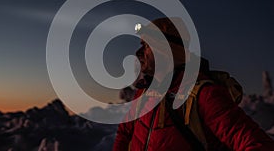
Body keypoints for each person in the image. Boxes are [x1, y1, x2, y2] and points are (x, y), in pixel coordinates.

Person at [113, 17, 274, 151]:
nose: (138, 52)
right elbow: (125, 131)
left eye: (146, 45)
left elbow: (257, 143)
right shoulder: (145, 92)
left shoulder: (203, 95)